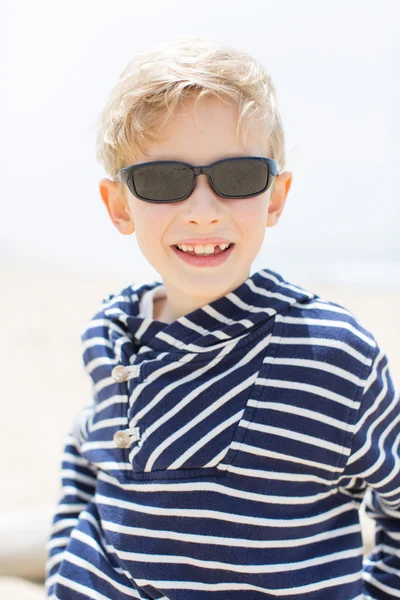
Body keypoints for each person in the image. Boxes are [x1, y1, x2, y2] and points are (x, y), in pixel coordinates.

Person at [45, 36, 400, 600]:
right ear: (119, 206)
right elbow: (85, 458)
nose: (203, 212)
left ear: (276, 197)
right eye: (163, 180)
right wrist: (65, 564)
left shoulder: (331, 355)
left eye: (237, 177)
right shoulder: (110, 336)